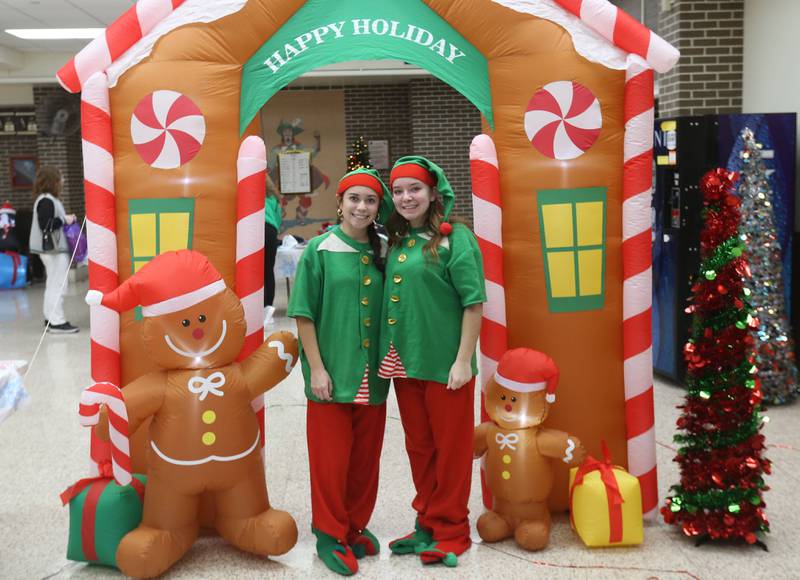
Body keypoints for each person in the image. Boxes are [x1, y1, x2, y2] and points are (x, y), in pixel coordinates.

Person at [379, 156, 485, 567]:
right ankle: (426, 521)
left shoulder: (456, 237)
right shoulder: (400, 240)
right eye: (400, 191)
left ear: (432, 192)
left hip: (446, 367)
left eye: (414, 189)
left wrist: (463, 361)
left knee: (452, 449)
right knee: (420, 448)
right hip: (406, 366)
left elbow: (473, 303)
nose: (406, 198)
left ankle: (453, 530)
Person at [287, 168, 393, 576]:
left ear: (377, 207)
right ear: (341, 202)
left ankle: (354, 526)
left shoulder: (385, 249)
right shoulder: (320, 250)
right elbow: (303, 314)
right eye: (354, 199)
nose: (361, 207)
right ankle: (330, 533)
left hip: (374, 375)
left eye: (369, 201)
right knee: (331, 461)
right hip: (331, 373)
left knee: (366, 460)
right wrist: (317, 368)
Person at [29, 166, 79, 334]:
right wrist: (65, 219)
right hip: (54, 251)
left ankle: (51, 319)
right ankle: (57, 321)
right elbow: (47, 225)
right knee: (58, 285)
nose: (63, 180)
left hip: (52, 251)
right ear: (53, 181)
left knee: (52, 285)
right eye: (61, 177)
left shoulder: (46, 199)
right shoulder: (46, 200)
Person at [263, 173, 281, 326]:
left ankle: (258, 305)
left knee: (255, 271)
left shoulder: (251, 195)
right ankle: (268, 307)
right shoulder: (273, 198)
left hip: (255, 230)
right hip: (271, 232)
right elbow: (278, 219)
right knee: (268, 271)